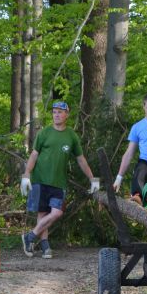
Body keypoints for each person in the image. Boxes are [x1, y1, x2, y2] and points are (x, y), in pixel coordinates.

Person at [20, 101, 100, 259]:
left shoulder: (71, 136)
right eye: (54, 112)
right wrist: (26, 175)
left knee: (56, 213)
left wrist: (92, 178)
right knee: (42, 213)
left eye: (60, 112)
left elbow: (81, 159)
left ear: (67, 114)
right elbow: (34, 155)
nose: (56, 114)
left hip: (59, 182)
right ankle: (44, 245)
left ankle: (30, 236)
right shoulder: (44, 133)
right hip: (40, 179)